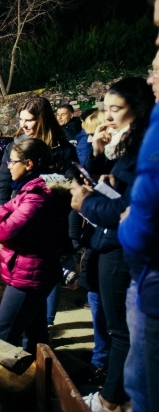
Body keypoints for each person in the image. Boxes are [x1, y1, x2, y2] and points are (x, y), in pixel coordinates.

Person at [71, 78, 154, 412]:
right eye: (104, 108)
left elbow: (127, 207)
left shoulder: (144, 147)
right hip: (107, 244)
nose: (106, 116)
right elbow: (107, 187)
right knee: (110, 324)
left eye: (114, 109)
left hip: (122, 249)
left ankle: (110, 400)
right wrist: (95, 156)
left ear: (139, 109)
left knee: (120, 330)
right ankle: (113, 392)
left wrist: (85, 204)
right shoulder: (120, 145)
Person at [0, 138, 66, 408]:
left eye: (12, 161)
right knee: (34, 334)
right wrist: (6, 211)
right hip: (31, 272)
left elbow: (2, 231)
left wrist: (4, 213)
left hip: (30, 275)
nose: (8, 166)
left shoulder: (35, 197)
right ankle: (35, 385)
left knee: (2, 332)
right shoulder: (28, 190)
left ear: (28, 164)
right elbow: (2, 214)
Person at [119, 50, 159, 412]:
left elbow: (140, 213)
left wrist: (87, 203)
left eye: (156, 71)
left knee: (145, 385)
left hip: (145, 269)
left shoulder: (152, 134)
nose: (151, 79)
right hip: (141, 272)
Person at [0, 97, 78, 207]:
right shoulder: (13, 146)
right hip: (20, 212)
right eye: (21, 119)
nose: (23, 125)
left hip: (53, 213)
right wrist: (2, 214)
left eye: (29, 120)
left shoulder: (62, 148)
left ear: (42, 120)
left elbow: (72, 188)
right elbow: (3, 185)